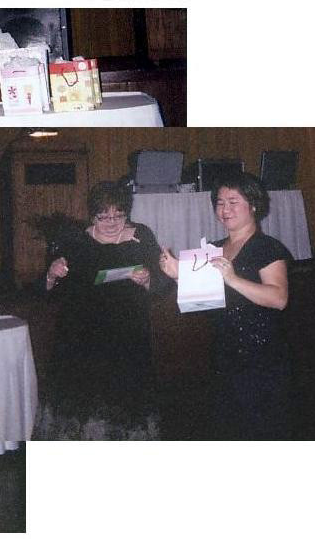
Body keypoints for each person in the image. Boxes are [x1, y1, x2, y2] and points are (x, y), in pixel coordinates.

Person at [159, 171, 292, 439]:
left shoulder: (267, 247)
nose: (225, 209)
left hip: (262, 356)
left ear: (253, 205)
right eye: (220, 203)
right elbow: (201, 300)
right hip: (224, 353)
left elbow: (279, 299)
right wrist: (177, 276)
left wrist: (232, 279)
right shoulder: (214, 248)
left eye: (233, 202)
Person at [33, 181, 170, 440]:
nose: (111, 222)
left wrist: (147, 280)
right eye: (103, 216)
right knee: (80, 401)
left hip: (127, 334)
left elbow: (163, 285)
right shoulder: (74, 239)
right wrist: (52, 275)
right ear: (92, 215)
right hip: (80, 335)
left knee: (123, 398)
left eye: (118, 215)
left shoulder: (141, 236)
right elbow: (45, 291)